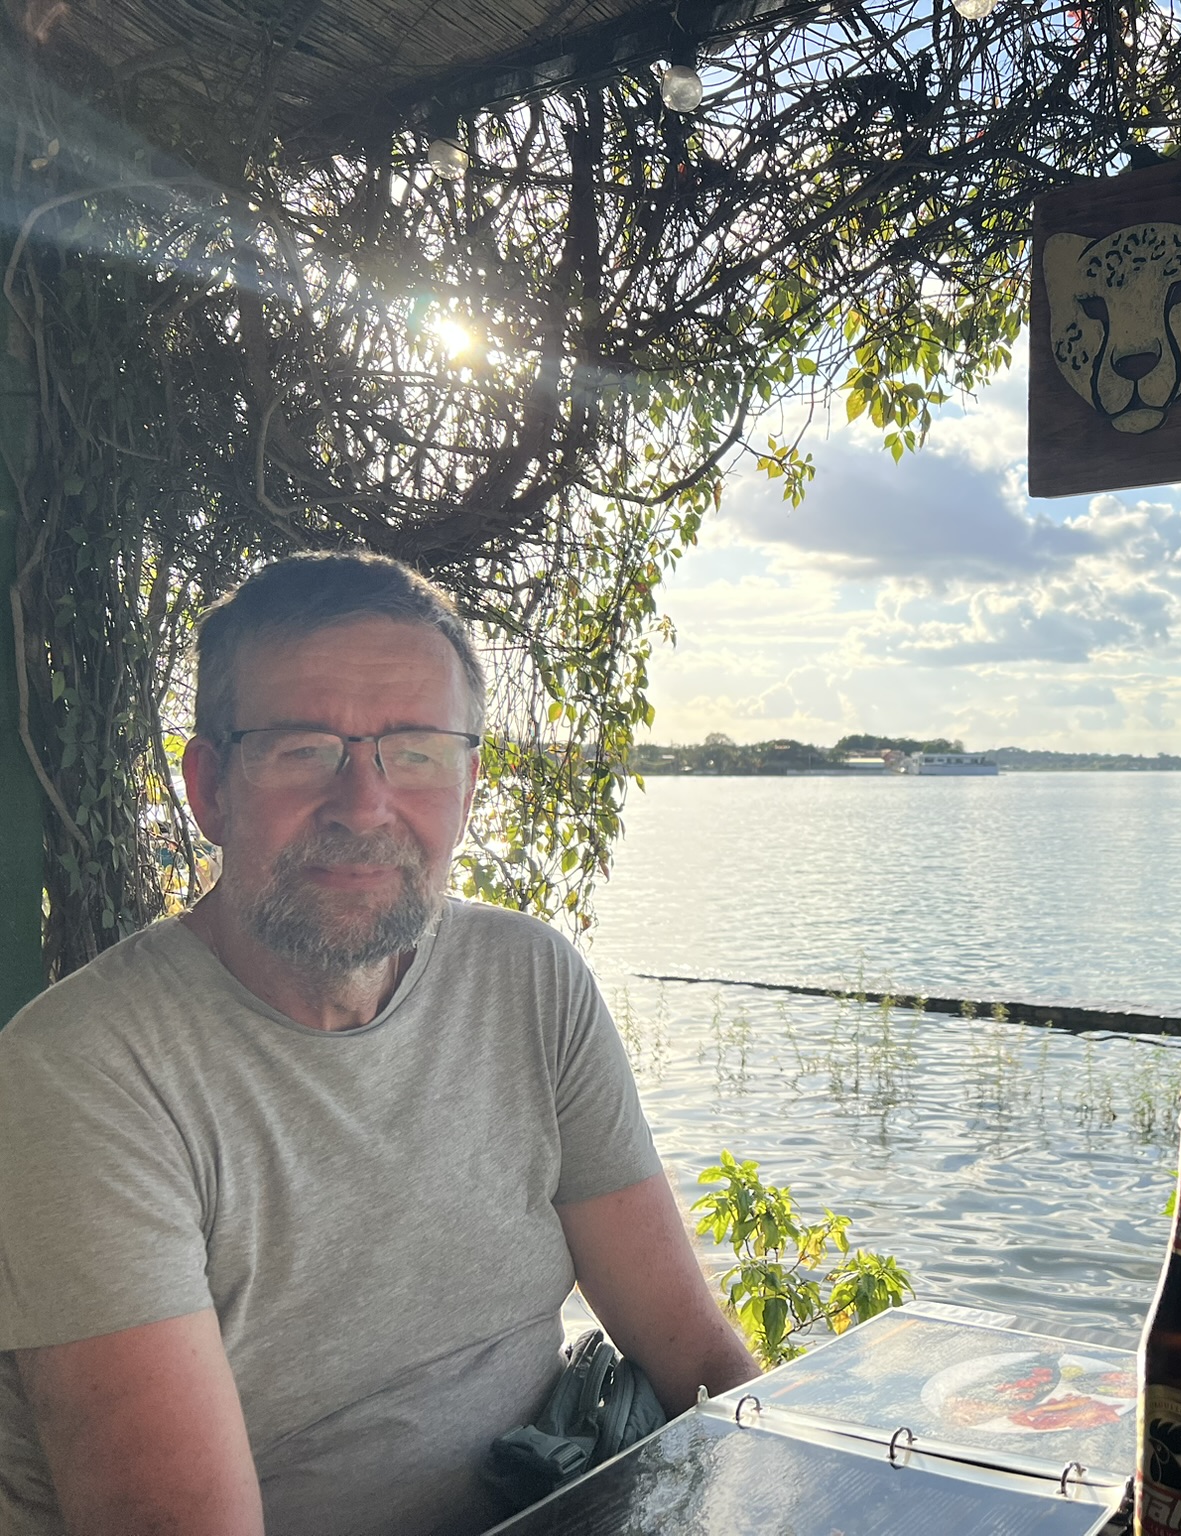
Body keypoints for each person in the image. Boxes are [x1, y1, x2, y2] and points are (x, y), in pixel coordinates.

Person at [0, 553, 758, 1536]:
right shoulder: (83, 1075)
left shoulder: (529, 980)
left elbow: (694, 1358)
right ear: (209, 787)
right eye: (302, 749)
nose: (363, 805)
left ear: (470, 785)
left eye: (415, 751)